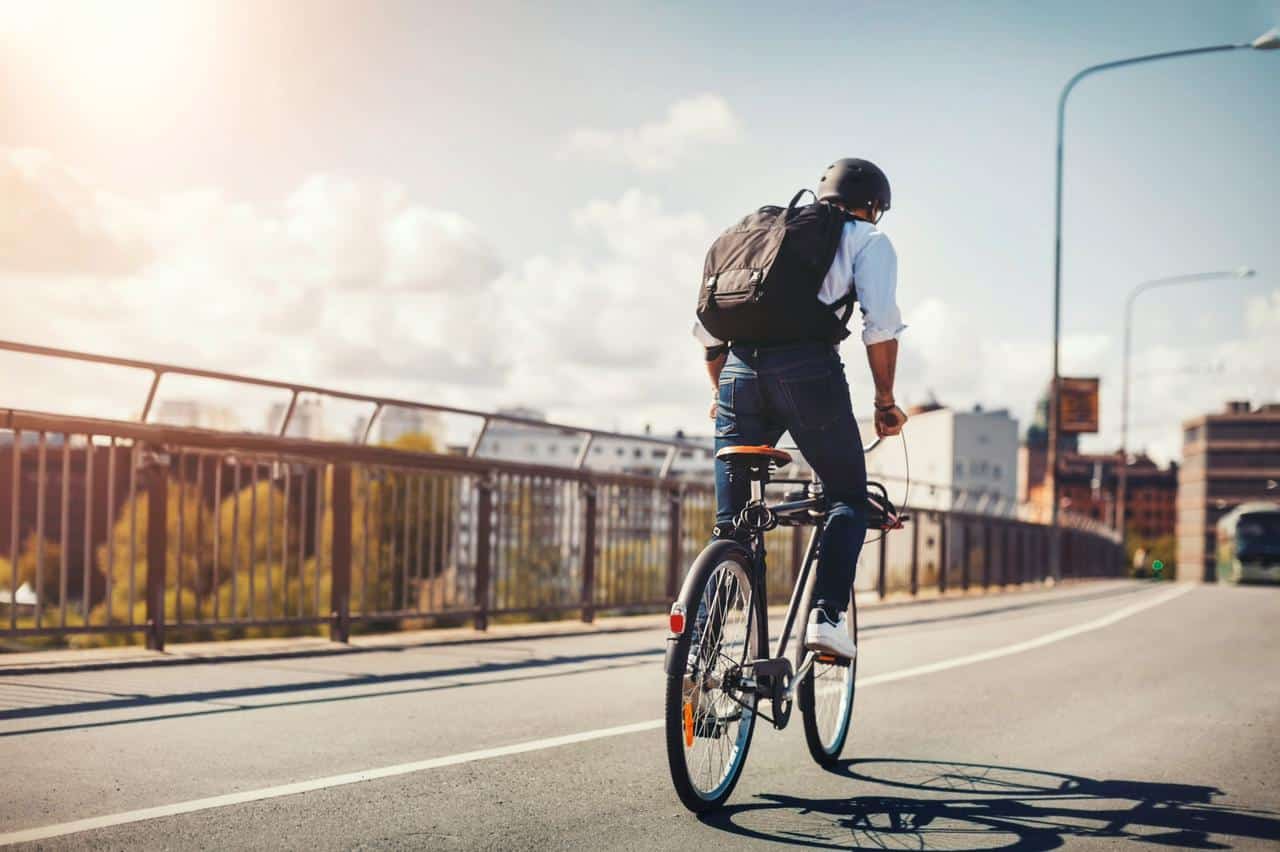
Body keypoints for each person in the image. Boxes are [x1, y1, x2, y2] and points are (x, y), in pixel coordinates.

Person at [693, 158, 907, 659]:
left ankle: (698, 647)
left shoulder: (760, 237)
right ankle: (826, 618)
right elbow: (880, 326)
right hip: (808, 374)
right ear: (873, 206)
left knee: (733, 525)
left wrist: (718, 393)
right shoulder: (868, 240)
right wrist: (885, 402)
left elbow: (708, 336)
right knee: (847, 497)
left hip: (738, 375)